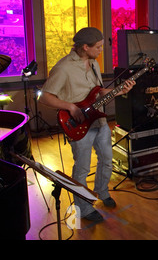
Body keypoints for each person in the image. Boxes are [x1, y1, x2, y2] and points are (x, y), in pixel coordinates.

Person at [39, 27, 136, 222]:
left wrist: (118, 91)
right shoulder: (63, 67)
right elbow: (45, 97)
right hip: (77, 123)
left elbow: (98, 91)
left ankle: (102, 191)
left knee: (107, 159)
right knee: (82, 168)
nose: (101, 50)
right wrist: (70, 107)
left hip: (98, 120)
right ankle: (83, 208)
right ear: (85, 47)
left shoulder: (93, 64)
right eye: (98, 47)